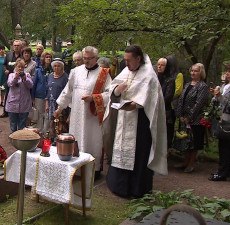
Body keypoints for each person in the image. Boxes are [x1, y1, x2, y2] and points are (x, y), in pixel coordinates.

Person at [105, 45, 168, 198]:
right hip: (124, 118)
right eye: (124, 60)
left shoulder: (149, 75)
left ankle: (136, 189)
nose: (126, 64)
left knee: (138, 153)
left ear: (138, 59)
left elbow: (151, 99)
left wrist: (135, 104)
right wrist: (118, 89)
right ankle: (118, 185)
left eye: (129, 60)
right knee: (120, 149)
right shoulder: (127, 70)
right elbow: (112, 87)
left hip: (140, 121)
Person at [55, 46, 112, 176]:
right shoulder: (75, 71)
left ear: (96, 58)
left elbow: (110, 94)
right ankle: (76, 168)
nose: (86, 61)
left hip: (92, 117)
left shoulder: (104, 74)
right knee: (76, 139)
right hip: (76, 114)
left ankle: (93, 170)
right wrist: (60, 108)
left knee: (92, 141)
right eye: (84, 58)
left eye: (89, 59)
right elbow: (67, 91)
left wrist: (94, 98)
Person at [175, 63, 208, 173]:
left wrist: (189, 117)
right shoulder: (188, 84)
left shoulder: (202, 86)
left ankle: (191, 163)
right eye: (192, 70)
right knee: (186, 141)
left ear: (201, 73)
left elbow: (199, 103)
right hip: (184, 117)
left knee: (194, 142)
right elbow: (181, 100)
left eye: (196, 71)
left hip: (196, 119)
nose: (193, 73)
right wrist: (180, 115)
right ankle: (185, 162)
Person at [209, 63, 230, 181]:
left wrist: (221, 98)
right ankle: (222, 172)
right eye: (227, 71)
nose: (227, 74)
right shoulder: (224, 86)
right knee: (223, 148)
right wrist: (215, 96)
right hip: (222, 121)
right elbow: (217, 103)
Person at [6, 58, 33, 133]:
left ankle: (21, 139)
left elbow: (31, 85)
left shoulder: (27, 75)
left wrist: (25, 79)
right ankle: (13, 137)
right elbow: (9, 84)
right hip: (13, 103)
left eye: (22, 67)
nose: (20, 68)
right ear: (16, 67)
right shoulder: (11, 75)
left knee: (22, 124)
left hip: (24, 103)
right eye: (19, 67)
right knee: (13, 123)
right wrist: (15, 78)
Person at [47, 58, 69, 138]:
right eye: (55, 66)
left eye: (58, 66)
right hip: (51, 104)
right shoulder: (50, 76)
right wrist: (47, 104)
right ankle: (52, 140)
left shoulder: (66, 77)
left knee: (61, 126)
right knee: (52, 124)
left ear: (62, 67)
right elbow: (48, 90)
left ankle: (60, 141)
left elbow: (68, 93)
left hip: (61, 105)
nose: (56, 68)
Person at [0, 40, 22, 118]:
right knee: (8, 94)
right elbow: (4, 65)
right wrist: (5, 70)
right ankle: (5, 112)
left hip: (20, 79)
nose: (16, 47)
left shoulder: (23, 56)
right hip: (9, 78)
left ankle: (17, 112)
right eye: (15, 45)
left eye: (18, 45)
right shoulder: (9, 55)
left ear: (20, 46)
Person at [157, 58, 176, 149]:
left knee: (165, 135)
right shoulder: (156, 79)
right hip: (155, 109)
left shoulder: (170, 80)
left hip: (165, 111)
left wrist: (157, 103)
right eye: (158, 65)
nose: (159, 67)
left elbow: (168, 97)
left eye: (162, 65)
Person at [32, 51, 53, 134]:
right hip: (39, 95)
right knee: (40, 114)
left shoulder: (53, 70)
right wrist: (32, 96)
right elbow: (34, 83)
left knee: (48, 114)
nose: (48, 59)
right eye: (46, 57)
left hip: (50, 95)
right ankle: (40, 131)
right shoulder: (38, 70)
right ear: (43, 59)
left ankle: (46, 132)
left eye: (50, 57)